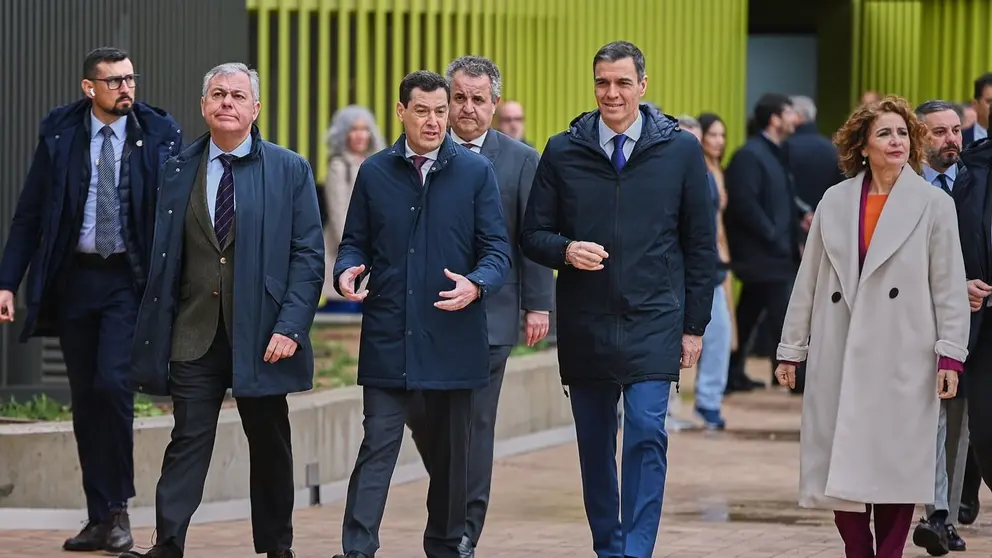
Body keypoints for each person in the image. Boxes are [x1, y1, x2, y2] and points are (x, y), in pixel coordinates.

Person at [521, 41, 716, 558]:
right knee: (594, 445)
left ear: (642, 86)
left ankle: (636, 550)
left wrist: (694, 327)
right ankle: (609, 547)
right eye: (603, 82)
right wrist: (566, 250)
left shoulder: (681, 151)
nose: (612, 93)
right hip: (586, 321)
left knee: (647, 432)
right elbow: (533, 234)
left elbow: (700, 244)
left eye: (623, 82)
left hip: (655, 318)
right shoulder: (563, 150)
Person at [123, 62, 325, 558]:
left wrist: (291, 326)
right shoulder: (178, 169)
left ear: (256, 108)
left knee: (269, 441)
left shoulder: (290, 169)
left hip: (264, 334)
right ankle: (169, 543)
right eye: (217, 94)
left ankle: (277, 546)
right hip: (194, 331)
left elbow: (308, 256)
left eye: (237, 95)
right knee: (188, 440)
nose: (227, 102)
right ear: (203, 105)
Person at [0, 46, 182, 553]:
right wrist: (7, 282)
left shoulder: (158, 132)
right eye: (114, 81)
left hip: (128, 279)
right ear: (89, 88)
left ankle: (118, 509)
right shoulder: (61, 132)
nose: (126, 88)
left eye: (130, 79)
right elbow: (30, 213)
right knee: (85, 399)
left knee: (112, 384)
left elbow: (176, 213)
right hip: (74, 281)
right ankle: (99, 516)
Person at [775, 95, 970, 558]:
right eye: (884, 133)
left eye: (903, 133)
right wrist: (791, 349)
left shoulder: (934, 204)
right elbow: (809, 280)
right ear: (862, 146)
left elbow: (949, 285)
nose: (896, 141)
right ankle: (858, 550)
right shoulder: (835, 200)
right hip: (839, 349)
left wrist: (950, 354)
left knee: (896, 466)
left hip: (905, 354)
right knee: (838, 465)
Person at [332, 70, 511, 558]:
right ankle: (357, 549)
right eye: (422, 111)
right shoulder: (375, 172)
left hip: (453, 335)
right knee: (377, 445)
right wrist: (347, 270)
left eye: (440, 111)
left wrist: (476, 284)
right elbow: (354, 242)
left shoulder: (475, 173)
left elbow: (497, 251)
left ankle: (445, 546)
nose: (433, 121)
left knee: (451, 459)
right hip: (389, 333)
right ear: (401, 112)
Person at [404, 56, 554, 558]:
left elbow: (533, 236)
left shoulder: (521, 160)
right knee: (421, 412)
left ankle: (464, 530)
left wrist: (538, 305)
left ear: (494, 104)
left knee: (473, 424)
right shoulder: (424, 153)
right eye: (459, 98)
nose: (467, 108)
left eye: (478, 99)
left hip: (492, 314)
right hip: (428, 314)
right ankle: (451, 494)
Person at [911, 100, 969, 554]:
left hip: (970, 319)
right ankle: (935, 513)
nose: (952, 139)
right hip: (912, 319)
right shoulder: (903, 187)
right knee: (927, 420)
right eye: (939, 132)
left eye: (956, 130)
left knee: (958, 424)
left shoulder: (974, 181)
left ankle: (944, 513)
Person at [722, 93, 800, 394]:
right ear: (774, 119)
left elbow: (780, 198)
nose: (795, 119)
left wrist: (799, 219)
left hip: (773, 253)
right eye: (789, 112)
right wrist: (773, 234)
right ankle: (798, 378)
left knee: (748, 314)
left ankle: (732, 372)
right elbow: (744, 203)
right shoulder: (750, 155)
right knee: (783, 316)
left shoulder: (774, 152)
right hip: (763, 255)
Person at [321, 105, 385, 302]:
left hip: (374, 254)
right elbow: (339, 216)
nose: (360, 135)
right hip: (347, 253)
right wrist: (355, 250)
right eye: (354, 129)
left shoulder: (377, 164)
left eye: (364, 129)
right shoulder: (339, 166)